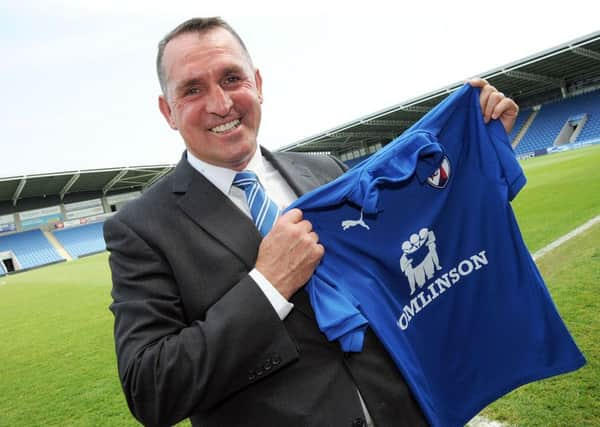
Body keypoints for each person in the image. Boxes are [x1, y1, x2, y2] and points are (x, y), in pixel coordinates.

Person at [104, 17, 519, 427]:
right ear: (168, 111)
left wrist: (477, 160)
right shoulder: (141, 228)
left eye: (232, 79)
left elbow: (413, 261)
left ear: (259, 84)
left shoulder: (327, 172)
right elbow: (151, 388)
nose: (220, 103)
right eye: (192, 89)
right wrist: (267, 285)